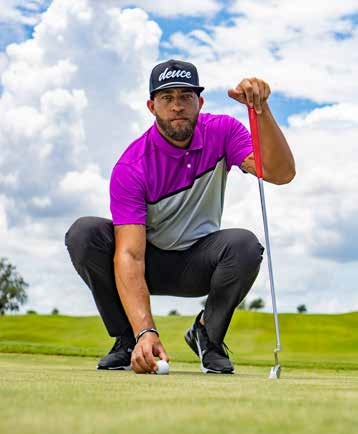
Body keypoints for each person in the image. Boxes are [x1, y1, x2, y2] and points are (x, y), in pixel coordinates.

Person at [65, 59, 295, 375]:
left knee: (244, 245)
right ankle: (128, 340)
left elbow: (281, 174)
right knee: (84, 233)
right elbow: (130, 254)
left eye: (185, 97)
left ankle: (207, 335)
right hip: (149, 263)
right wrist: (146, 329)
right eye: (167, 98)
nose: (177, 106)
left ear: (199, 102)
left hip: (199, 263)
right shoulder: (132, 166)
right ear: (151, 105)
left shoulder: (223, 132)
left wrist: (262, 111)